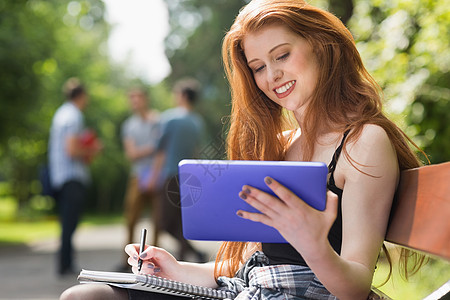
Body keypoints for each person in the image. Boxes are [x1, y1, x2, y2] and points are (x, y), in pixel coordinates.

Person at [60, 0, 426, 299]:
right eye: (258, 67)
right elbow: (252, 264)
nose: (272, 75)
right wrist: (175, 270)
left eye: (282, 55)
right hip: (249, 290)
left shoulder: (364, 142)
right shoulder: (280, 144)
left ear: (320, 46)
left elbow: (355, 287)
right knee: (82, 297)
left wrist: (312, 243)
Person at [146, 78, 206, 262]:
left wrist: (153, 177)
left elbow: (160, 150)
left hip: (171, 174)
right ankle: (186, 255)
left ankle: (193, 252)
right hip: (189, 176)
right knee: (181, 219)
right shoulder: (197, 122)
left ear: (182, 96)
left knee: (164, 222)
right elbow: (198, 151)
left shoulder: (170, 118)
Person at [49, 78, 102, 276]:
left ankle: (66, 262)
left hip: (61, 176)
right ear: (81, 96)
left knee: (67, 221)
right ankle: (65, 264)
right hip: (72, 176)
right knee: (70, 222)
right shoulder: (74, 116)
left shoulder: (61, 113)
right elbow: (71, 149)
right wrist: (93, 148)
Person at [119, 87, 160, 270]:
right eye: (132, 98)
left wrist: (143, 151)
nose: (135, 102)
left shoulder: (158, 121)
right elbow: (132, 154)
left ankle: (155, 259)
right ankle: (126, 259)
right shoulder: (129, 125)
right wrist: (151, 147)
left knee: (157, 219)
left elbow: (162, 151)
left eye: (138, 97)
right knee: (131, 218)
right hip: (137, 176)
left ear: (145, 99)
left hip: (156, 175)